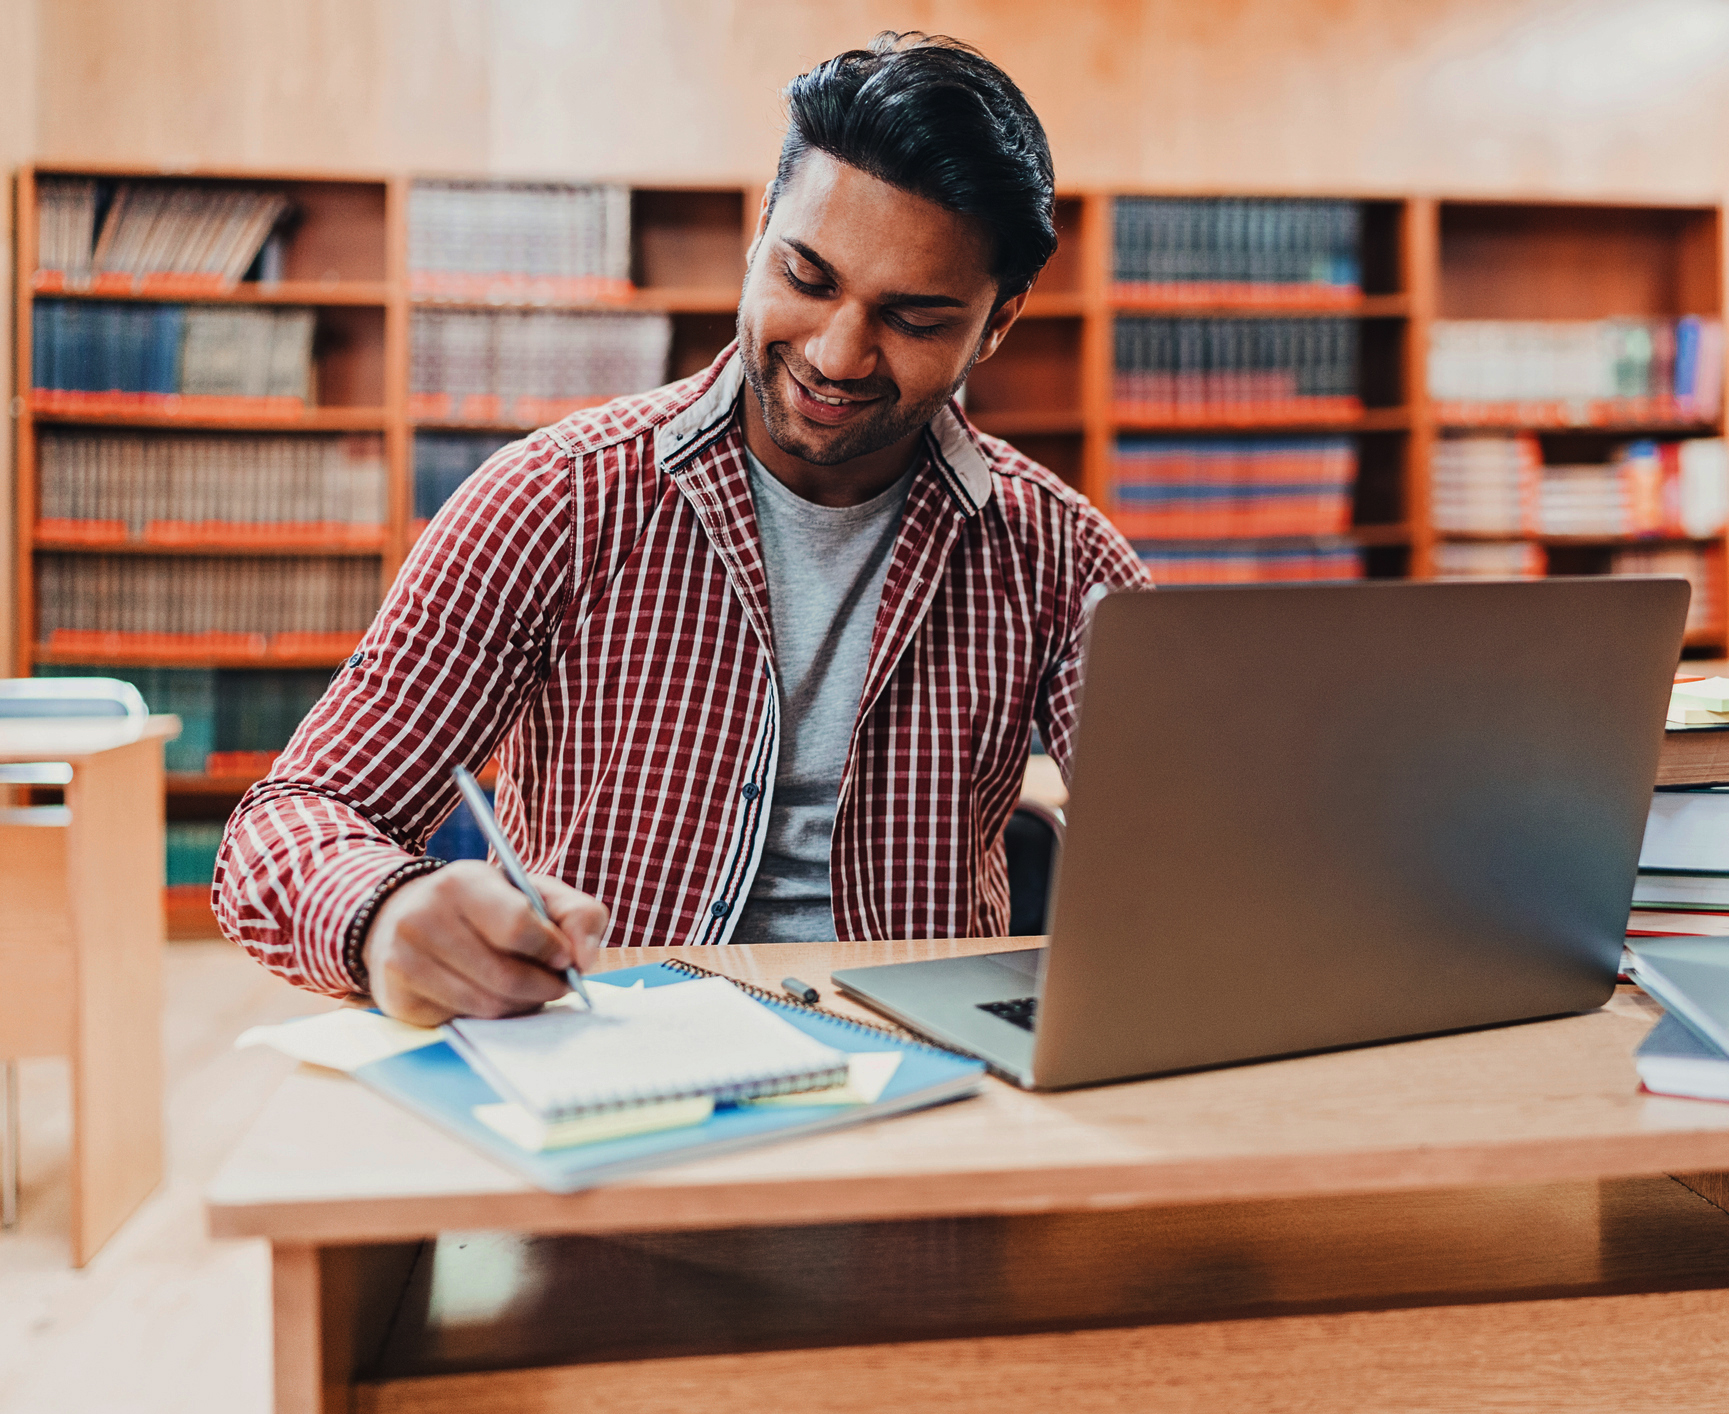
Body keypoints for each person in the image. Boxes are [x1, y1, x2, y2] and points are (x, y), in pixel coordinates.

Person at [214, 33, 1149, 1025]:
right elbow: (293, 819)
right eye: (807, 274)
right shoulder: (554, 498)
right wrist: (384, 913)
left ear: (995, 326)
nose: (837, 353)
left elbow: (1205, 849)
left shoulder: (1059, 557)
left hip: (934, 1096)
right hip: (607, 1075)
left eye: (914, 319)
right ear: (760, 234)